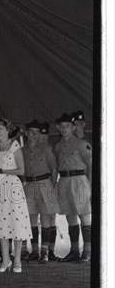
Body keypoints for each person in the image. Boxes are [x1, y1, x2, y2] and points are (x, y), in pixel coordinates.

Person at [0, 119, 32, 273]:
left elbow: (21, 170)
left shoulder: (15, 146)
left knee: (15, 221)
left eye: (1, 129)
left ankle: (17, 260)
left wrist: (3, 171)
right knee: (0, 222)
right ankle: (5, 260)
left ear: (8, 130)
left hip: (12, 186)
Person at [54, 112, 92, 263]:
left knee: (84, 216)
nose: (64, 129)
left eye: (67, 126)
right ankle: (74, 250)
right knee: (70, 216)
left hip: (79, 180)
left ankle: (88, 251)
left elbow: (91, 164)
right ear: (58, 128)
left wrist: (89, 183)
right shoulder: (58, 146)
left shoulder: (81, 144)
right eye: (61, 127)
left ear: (73, 127)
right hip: (64, 181)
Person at [21, 120, 59, 263]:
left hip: (45, 183)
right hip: (29, 185)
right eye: (31, 131)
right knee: (31, 219)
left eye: (37, 132)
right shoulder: (22, 150)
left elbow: (54, 168)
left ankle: (44, 253)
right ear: (26, 133)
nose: (34, 135)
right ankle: (34, 251)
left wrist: (53, 186)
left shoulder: (46, 148)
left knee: (45, 218)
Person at [39, 122, 60, 260]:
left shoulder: (52, 147)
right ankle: (45, 251)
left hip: (52, 184)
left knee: (52, 219)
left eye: (44, 134)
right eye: (40, 134)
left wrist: (52, 186)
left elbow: (55, 168)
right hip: (43, 184)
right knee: (46, 218)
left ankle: (50, 251)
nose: (42, 137)